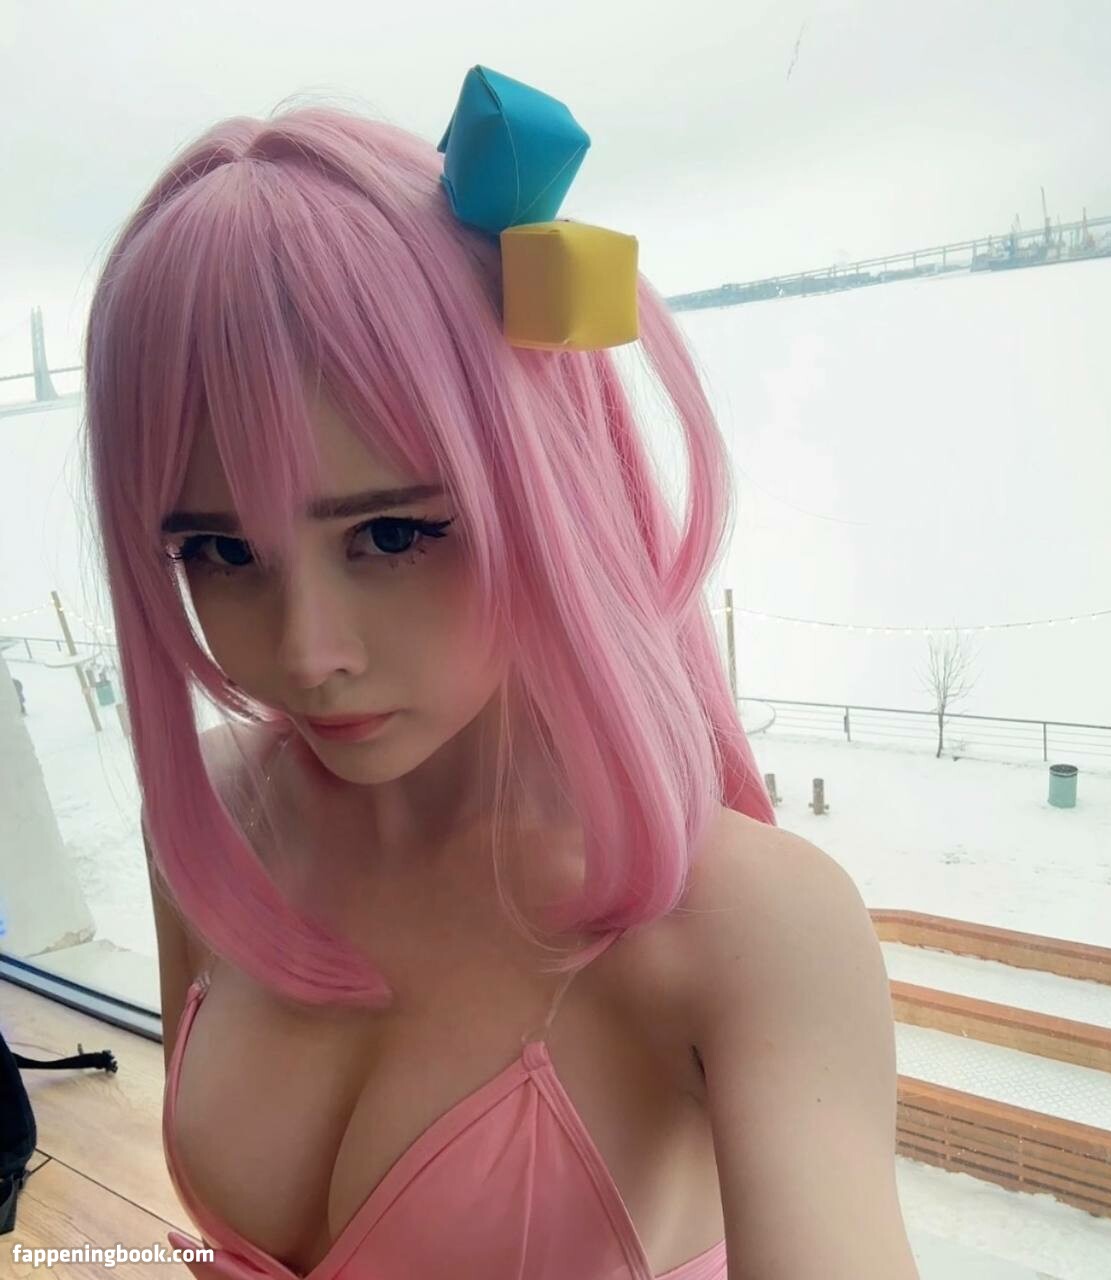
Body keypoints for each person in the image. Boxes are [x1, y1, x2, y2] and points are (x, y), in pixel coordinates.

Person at [82, 74, 918, 1280]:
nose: (307, 652)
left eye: (391, 533)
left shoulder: (746, 929)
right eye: (217, 550)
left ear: (548, 484)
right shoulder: (213, 819)